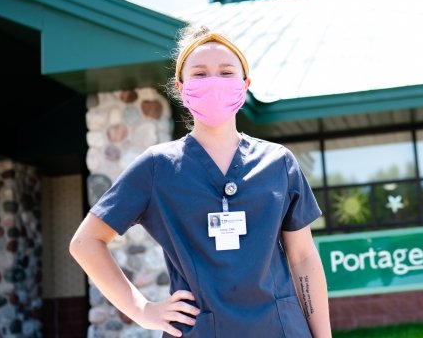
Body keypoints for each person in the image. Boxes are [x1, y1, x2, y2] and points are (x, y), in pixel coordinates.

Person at [69, 25, 331, 337]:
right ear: (181, 87)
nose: (214, 82)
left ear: (244, 84)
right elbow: (85, 243)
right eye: (200, 73)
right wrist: (142, 309)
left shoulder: (278, 163)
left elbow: (302, 258)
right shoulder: (157, 167)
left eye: (225, 72)